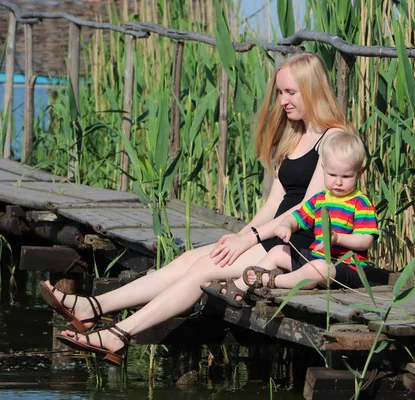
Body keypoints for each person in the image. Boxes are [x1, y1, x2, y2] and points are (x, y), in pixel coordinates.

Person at [38, 52, 357, 366]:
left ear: (312, 89)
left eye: (290, 92)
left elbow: (307, 207)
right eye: (279, 93)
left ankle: (120, 334)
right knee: (190, 259)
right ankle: (93, 306)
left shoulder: (333, 139)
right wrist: (240, 236)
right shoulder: (297, 135)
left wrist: (249, 240)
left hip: (301, 249)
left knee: (202, 273)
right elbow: (274, 202)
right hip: (274, 237)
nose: (283, 101)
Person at [202, 131, 378, 308]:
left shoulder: (360, 203)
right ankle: (238, 288)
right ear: (323, 169)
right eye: (332, 175)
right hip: (316, 256)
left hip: (346, 268)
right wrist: (287, 225)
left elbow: (366, 240)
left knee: (318, 269)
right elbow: (298, 217)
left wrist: (337, 238)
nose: (338, 182)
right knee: (278, 251)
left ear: (359, 173)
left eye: (346, 177)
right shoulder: (320, 199)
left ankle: (272, 280)